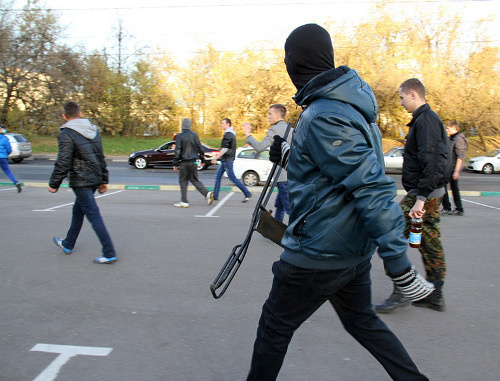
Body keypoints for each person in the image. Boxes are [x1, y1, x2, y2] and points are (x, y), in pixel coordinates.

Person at [248, 24, 434, 381]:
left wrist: (399, 264)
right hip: (351, 251)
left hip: (318, 253)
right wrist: (290, 155)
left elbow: (370, 187)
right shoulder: (344, 105)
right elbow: (332, 171)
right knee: (362, 321)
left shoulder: (323, 115)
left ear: (295, 63)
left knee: (274, 328)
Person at [376, 78, 449, 314]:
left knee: (390, 232)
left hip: (424, 193)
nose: (400, 102)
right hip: (429, 193)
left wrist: (420, 199)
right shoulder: (426, 119)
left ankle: (403, 289)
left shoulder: (426, 120)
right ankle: (435, 294)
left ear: (414, 95)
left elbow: (433, 161)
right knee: (429, 241)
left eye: (402, 97)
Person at [49, 101, 117, 264]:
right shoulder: (93, 130)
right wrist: (103, 180)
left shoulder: (66, 133)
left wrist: (54, 183)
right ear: (80, 114)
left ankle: (109, 252)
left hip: (81, 180)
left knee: (93, 215)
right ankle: (68, 243)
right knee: (78, 211)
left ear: (65, 116)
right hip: (93, 178)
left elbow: (64, 160)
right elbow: (100, 157)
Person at [243, 104, 291, 222]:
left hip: (282, 176)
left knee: (290, 209)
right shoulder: (292, 129)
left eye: (270, 114)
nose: (268, 116)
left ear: (277, 114)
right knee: (280, 206)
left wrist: (248, 135)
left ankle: (299, 236)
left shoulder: (275, 129)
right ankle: (276, 231)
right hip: (291, 174)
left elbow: (260, 147)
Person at [172, 118, 214, 208]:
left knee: (183, 180)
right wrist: (203, 159)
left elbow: (178, 150)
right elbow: (199, 148)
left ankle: (184, 201)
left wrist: (175, 163)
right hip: (194, 162)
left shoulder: (180, 136)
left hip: (184, 162)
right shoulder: (195, 135)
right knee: (194, 179)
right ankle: (207, 193)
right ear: (190, 125)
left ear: (182, 126)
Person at [211, 118, 252, 203]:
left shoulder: (228, 135)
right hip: (225, 159)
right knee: (218, 176)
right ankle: (215, 196)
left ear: (228, 124)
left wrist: (215, 157)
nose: (221, 125)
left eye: (223, 123)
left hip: (227, 160)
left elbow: (225, 149)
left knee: (232, 178)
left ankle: (247, 193)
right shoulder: (230, 134)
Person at [441, 120, 467, 216]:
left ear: (454, 128)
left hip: (452, 169)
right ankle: (458, 208)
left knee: (443, 186)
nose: (446, 130)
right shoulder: (452, 138)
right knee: (453, 188)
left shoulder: (458, 139)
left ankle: (449, 208)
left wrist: (456, 171)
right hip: (449, 168)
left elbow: (460, 157)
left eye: (448, 128)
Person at [0, 125, 22, 193]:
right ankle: (16, 182)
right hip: (3, 157)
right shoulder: (5, 139)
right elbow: (9, 149)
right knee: (7, 171)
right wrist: (6, 154)